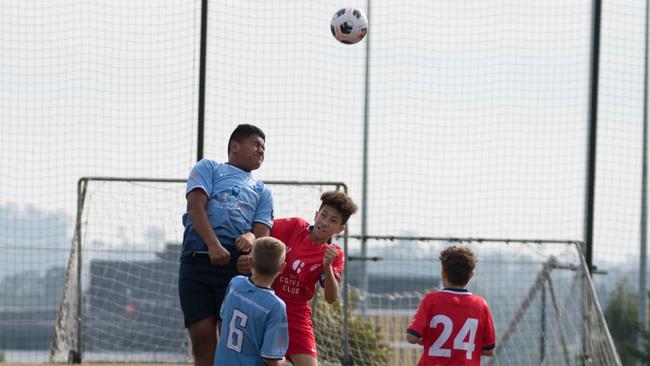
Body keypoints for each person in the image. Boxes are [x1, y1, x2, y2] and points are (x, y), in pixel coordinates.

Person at [179, 124, 273, 366]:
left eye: (264, 147)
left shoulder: (262, 190)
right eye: (256, 144)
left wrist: (251, 245)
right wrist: (212, 245)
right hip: (196, 263)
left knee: (232, 344)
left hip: (234, 271)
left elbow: (261, 234)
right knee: (203, 342)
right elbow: (195, 208)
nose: (261, 150)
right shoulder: (208, 168)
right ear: (235, 146)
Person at [270, 191, 358, 366]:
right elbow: (262, 231)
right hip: (269, 305)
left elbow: (331, 298)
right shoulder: (294, 226)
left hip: (297, 314)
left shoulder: (335, 254)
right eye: (323, 215)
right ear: (316, 214)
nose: (324, 222)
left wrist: (327, 266)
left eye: (333, 220)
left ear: (340, 228)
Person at [406, 245, 496, 365]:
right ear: (471, 275)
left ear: (443, 273)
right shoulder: (480, 305)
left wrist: (423, 340)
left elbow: (411, 337)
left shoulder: (431, 300)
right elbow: (489, 350)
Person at [214, 237, 289, 366]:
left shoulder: (235, 284)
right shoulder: (275, 306)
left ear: (250, 262)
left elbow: (222, 318)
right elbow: (270, 359)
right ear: (282, 268)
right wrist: (283, 361)